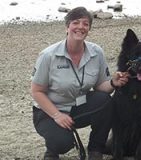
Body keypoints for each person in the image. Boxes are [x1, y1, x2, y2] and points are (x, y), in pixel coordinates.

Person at [31, 7, 129, 160]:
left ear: (89, 28)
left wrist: (113, 82)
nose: (80, 27)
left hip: (78, 107)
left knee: (107, 101)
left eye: (85, 24)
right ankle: (52, 150)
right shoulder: (48, 55)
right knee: (62, 143)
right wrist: (57, 115)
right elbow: (37, 91)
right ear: (67, 27)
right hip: (48, 112)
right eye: (75, 23)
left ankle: (96, 149)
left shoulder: (96, 52)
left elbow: (100, 88)